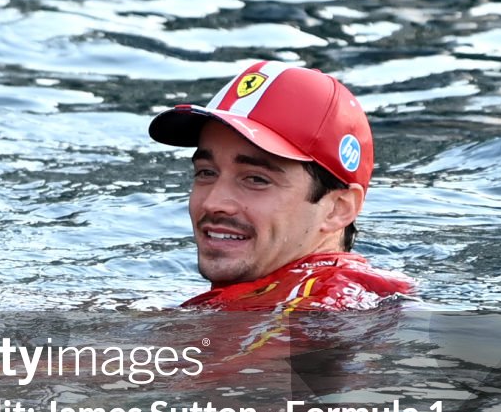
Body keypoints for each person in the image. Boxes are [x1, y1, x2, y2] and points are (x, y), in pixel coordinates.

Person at [149, 60, 414, 310]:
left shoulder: (320, 309)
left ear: (338, 208)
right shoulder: (271, 302)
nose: (213, 202)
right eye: (206, 172)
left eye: (256, 179)